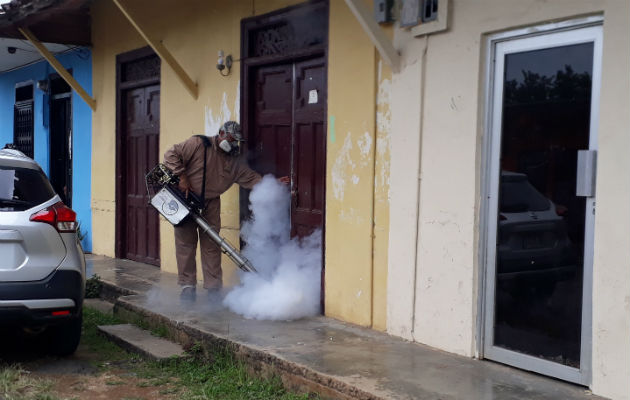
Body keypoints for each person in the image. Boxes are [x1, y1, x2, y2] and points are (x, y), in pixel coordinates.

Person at [163, 121, 287, 302]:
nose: (233, 144)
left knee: (212, 246)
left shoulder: (233, 161)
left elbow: (251, 177)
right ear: (221, 133)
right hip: (186, 200)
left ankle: (213, 289)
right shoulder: (198, 144)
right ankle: (188, 287)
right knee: (185, 246)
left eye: (236, 141)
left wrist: (273, 184)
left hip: (211, 204)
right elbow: (170, 154)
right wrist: (182, 176)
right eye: (231, 139)